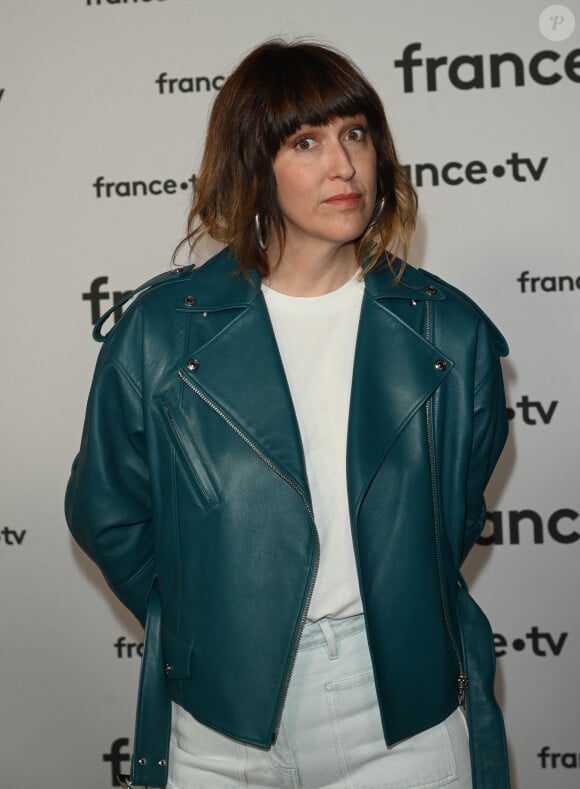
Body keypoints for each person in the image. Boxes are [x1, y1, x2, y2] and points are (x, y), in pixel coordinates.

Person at [66, 40, 510, 789]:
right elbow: (108, 513)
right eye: (306, 141)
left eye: (356, 134)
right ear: (252, 167)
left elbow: (453, 512)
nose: (344, 166)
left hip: (402, 706)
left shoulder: (448, 330)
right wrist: (214, 622)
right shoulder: (160, 334)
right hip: (220, 723)